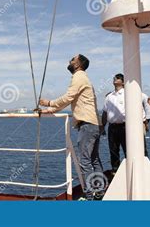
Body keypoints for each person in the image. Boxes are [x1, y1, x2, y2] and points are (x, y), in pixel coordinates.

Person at [38, 54, 103, 200]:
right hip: (94, 124)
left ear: (78, 64)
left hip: (86, 124)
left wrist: (48, 103)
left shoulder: (78, 77)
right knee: (94, 160)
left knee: (85, 161)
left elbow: (68, 97)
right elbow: (72, 100)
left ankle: (88, 196)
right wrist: (51, 110)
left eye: (73, 59)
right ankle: (99, 192)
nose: (70, 61)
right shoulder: (84, 77)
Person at [101, 73, 150, 175]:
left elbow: (140, 108)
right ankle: (116, 171)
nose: (115, 79)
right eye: (115, 77)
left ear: (123, 82)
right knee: (113, 151)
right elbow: (105, 113)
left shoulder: (129, 94)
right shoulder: (109, 97)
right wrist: (102, 126)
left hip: (126, 127)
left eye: (118, 78)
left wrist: (145, 122)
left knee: (129, 150)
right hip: (112, 127)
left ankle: (132, 172)